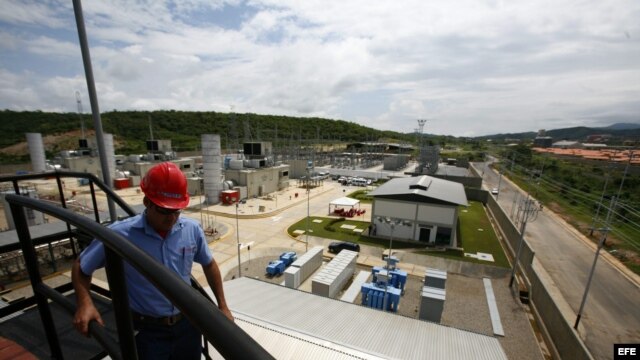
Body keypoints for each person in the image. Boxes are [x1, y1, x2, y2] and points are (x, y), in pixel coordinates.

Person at [72, 162, 233, 359]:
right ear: (147, 202)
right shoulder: (119, 235)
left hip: (188, 325)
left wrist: (222, 306)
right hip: (147, 332)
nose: (172, 218)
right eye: (165, 211)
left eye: (177, 211)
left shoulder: (192, 229)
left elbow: (209, 264)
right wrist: (85, 303)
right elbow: (81, 265)